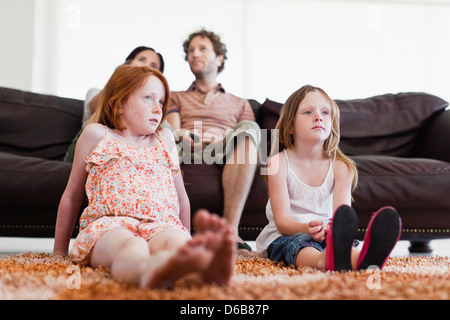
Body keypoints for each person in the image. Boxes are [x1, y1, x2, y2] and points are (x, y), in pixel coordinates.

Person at [53, 65, 235, 289]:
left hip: (161, 224)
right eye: (148, 98)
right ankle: (146, 270)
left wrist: (186, 237)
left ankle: (199, 269)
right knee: (131, 247)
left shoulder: (165, 138)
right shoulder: (96, 135)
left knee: (175, 243)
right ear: (118, 104)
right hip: (110, 226)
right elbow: (71, 196)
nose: (158, 109)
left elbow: (181, 199)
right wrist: (59, 252)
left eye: (160, 101)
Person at [256, 85, 402, 271]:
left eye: (325, 112)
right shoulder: (278, 164)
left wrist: (328, 231)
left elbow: (342, 218)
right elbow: (282, 222)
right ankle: (326, 260)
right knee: (299, 246)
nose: (318, 117)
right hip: (286, 236)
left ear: (332, 123)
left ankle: (365, 259)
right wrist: (307, 229)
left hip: (329, 236)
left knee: (343, 245)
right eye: (308, 112)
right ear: (290, 125)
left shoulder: (342, 167)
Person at [165, 29, 261, 253]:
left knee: (250, 129)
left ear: (219, 58)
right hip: (185, 148)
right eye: (190, 51)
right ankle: (172, 231)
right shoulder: (176, 96)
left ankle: (231, 232)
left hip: (224, 149)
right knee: (165, 130)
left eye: (202, 49)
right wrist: (183, 136)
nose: (194, 54)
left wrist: (224, 138)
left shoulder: (239, 103)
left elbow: (249, 139)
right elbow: (173, 130)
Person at [64, 46, 165, 162]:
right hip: (85, 152)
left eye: (153, 66)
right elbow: (97, 106)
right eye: (141, 60)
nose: (146, 66)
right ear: (128, 63)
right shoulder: (95, 93)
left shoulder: (156, 108)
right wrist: (122, 79)